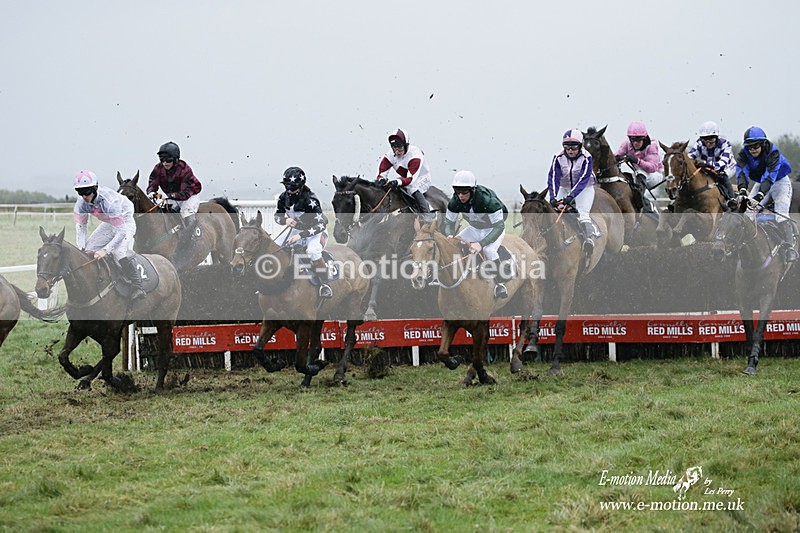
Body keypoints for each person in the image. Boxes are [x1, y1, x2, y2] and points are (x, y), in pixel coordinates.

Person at [73, 170, 145, 300]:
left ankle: (138, 286)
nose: (84, 196)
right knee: (88, 250)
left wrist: (106, 250)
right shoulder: (80, 204)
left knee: (118, 253)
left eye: (87, 192)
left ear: (94, 189)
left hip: (125, 223)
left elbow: (121, 231)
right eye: (80, 192)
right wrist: (81, 248)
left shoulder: (109, 202)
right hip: (109, 223)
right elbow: (81, 227)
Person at [444, 170, 510, 299]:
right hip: (475, 228)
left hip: (493, 229)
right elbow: (449, 223)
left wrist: (481, 244)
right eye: (458, 192)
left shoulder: (488, 201)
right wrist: (450, 235)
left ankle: (500, 283)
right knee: (454, 243)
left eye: (464, 192)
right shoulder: (454, 202)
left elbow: (499, 226)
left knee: (489, 250)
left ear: (473, 190)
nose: (461, 196)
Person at [735, 126, 797, 262]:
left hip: (780, 182)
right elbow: (741, 174)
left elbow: (770, 178)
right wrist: (742, 191)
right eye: (749, 146)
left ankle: (790, 249)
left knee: (781, 215)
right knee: (747, 214)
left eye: (756, 146)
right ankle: (744, 246)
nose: (752, 149)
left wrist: (759, 196)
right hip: (761, 182)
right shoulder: (743, 154)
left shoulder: (773, 152)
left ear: (763, 144)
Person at [274, 166, 333, 298]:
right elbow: (277, 216)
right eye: (287, 186)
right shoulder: (283, 197)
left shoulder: (310, 200)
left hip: (316, 232)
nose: (289, 190)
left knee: (312, 252)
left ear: (300, 186)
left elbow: (321, 225)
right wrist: (285, 220)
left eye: (292, 187)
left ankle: (325, 284)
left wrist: (300, 236)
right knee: (275, 247)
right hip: (296, 229)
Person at [547, 129, 598, 253]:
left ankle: (589, 240)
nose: (570, 150)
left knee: (582, 213)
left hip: (584, 188)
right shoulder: (558, 158)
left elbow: (583, 179)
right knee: (552, 211)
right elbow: (553, 178)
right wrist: (553, 197)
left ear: (580, 146)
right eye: (566, 147)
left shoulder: (587, 157)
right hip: (564, 188)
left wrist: (571, 196)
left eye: (573, 147)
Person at [146, 141, 202, 241]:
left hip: (190, 196)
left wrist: (171, 195)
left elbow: (186, 193)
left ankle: (194, 236)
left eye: (168, 160)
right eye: (162, 160)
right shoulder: (158, 168)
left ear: (176, 159)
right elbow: (153, 182)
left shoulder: (185, 169)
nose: (165, 163)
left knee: (185, 211)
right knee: (164, 211)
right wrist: (151, 192)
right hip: (172, 196)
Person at [375, 129, 434, 219]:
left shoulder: (415, 155)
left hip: (421, 178)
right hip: (405, 178)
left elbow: (410, 180)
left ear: (406, 146)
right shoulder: (390, 155)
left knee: (411, 188)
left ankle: (428, 215)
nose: (397, 151)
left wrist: (397, 182)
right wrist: (381, 180)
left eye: (400, 147)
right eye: (394, 148)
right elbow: (381, 174)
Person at [615, 121, 664, 213]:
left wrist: (636, 160)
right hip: (638, 173)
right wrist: (617, 158)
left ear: (644, 138)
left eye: (638, 140)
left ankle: (643, 205)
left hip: (655, 175)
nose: (635, 143)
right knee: (626, 177)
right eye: (633, 140)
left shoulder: (651, 146)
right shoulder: (627, 144)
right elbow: (616, 155)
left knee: (640, 174)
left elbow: (652, 168)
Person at [688, 121, 736, 200]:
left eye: (711, 139)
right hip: (709, 166)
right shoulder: (699, 143)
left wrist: (707, 164)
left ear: (716, 137)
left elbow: (722, 163)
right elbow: (690, 156)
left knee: (722, 175)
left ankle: (732, 200)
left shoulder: (725, 144)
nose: (708, 143)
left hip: (728, 167)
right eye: (705, 139)